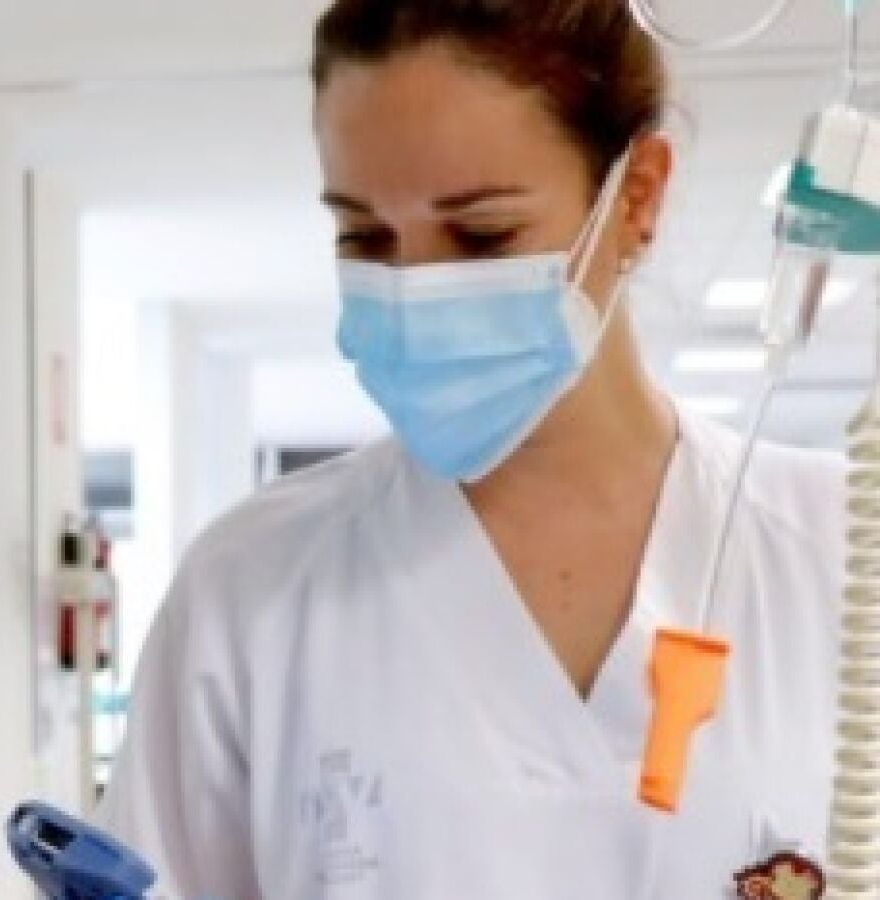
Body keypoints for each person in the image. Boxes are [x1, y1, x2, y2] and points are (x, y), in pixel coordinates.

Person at [96, 1, 844, 897]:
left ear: (637, 194)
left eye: (481, 234)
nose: (413, 291)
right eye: (364, 237)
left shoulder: (839, 549)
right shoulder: (251, 588)